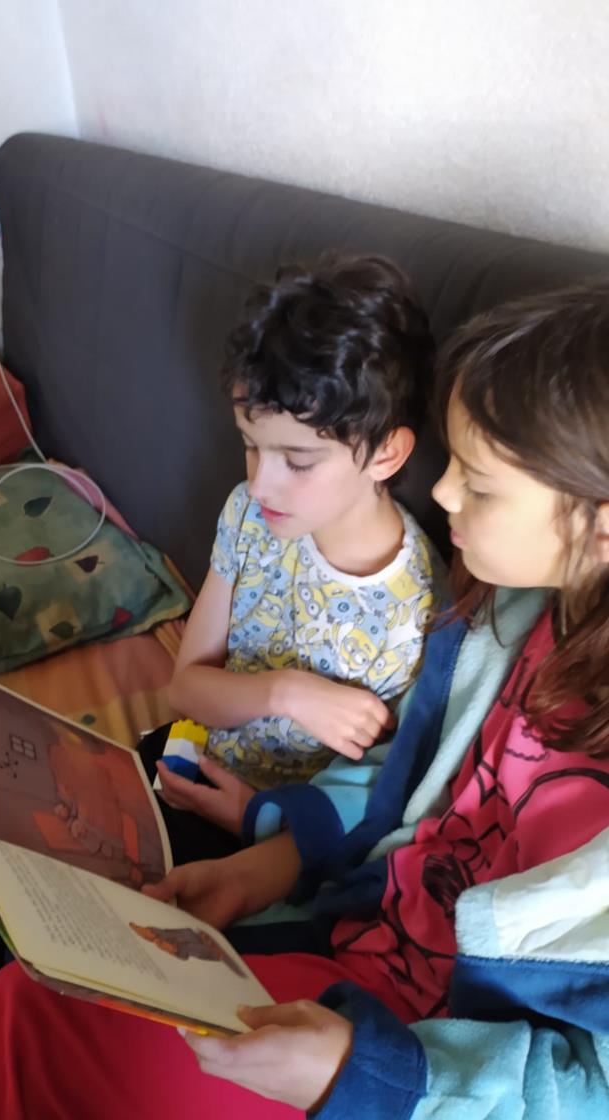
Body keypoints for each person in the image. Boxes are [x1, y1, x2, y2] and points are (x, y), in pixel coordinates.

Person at [0, 277, 609, 1120]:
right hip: (305, 887)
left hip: (415, 1054)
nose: (443, 492)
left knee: (38, 1016)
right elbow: (400, 786)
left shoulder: (427, 597)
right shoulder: (503, 613)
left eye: (479, 484)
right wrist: (258, 868)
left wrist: (366, 1074)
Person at [148, 253, 447, 859]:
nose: (260, 484)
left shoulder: (417, 615)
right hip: (188, 756)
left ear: (386, 456)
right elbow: (186, 688)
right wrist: (285, 692)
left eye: (298, 461)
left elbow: (376, 807)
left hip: (273, 840)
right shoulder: (249, 516)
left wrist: (257, 820)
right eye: (251, 446)